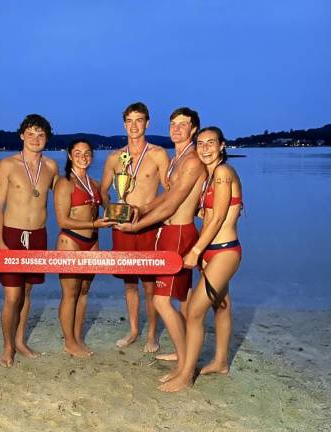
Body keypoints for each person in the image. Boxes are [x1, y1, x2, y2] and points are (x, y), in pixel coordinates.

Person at [116, 107, 206, 384]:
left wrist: (137, 226)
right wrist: (139, 210)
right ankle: (183, 355)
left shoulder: (191, 161)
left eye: (183, 124)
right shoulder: (177, 158)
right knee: (178, 300)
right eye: (173, 124)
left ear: (193, 129)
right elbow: (163, 197)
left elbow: (173, 202)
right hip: (169, 232)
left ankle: (185, 371)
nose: (177, 128)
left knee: (161, 300)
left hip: (178, 232)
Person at [159, 127, 242, 392]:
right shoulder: (209, 176)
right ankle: (220, 361)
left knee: (194, 312)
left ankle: (185, 374)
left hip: (224, 250)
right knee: (222, 306)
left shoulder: (222, 173)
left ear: (222, 145)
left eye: (211, 143)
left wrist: (194, 251)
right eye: (201, 143)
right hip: (213, 251)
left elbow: (217, 218)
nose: (205, 148)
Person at [99, 102, 170, 352]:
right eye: (129, 121)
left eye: (139, 120)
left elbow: (170, 191)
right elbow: (103, 190)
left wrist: (148, 208)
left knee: (150, 284)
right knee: (129, 283)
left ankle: (151, 334)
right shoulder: (114, 157)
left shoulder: (159, 154)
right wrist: (112, 210)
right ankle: (133, 330)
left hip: (148, 224)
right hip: (122, 225)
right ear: (124, 124)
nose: (134, 125)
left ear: (147, 123)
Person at [0, 114, 59, 367]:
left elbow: (67, 194)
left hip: (38, 235)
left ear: (47, 138)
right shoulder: (8, 165)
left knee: (27, 293)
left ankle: (20, 341)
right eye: (30, 134)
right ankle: (8, 347)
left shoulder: (51, 167)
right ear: (22, 135)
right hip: (12, 234)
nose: (36, 139)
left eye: (41, 134)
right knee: (12, 297)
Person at [54, 139, 116, 357]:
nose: (83, 156)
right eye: (78, 152)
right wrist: (93, 224)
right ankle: (69, 342)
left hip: (92, 241)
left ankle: (77, 337)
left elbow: (103, 211)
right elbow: (62, 220)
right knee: (70, 293)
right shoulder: (65, 183)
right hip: (70, 241)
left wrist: (122, 212)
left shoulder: (94, 183)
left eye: (87, 152)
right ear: (70, 155)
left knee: (84, 291)